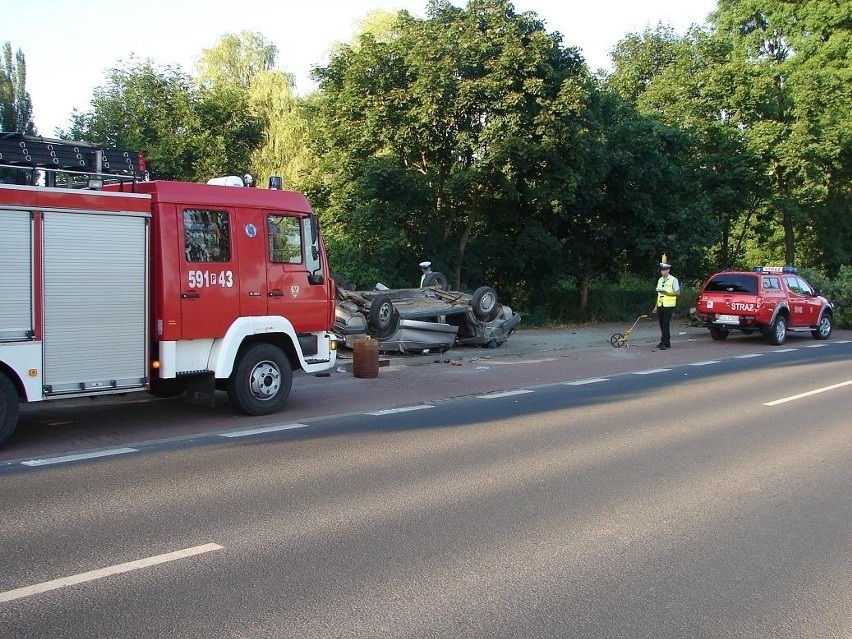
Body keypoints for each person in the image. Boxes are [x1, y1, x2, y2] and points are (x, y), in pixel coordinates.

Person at [651, 254, 680, 350]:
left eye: (663, 270)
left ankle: (663, 343)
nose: (662, 271)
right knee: (661, 324)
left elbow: (678, 293)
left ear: (668, 270)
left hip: (669, 305)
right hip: (660, 305)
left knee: (665, 324)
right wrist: (655, 306)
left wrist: (668, 294)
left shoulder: (673, 280)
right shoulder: (660, 280)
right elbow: (659, 294)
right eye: (661, 270)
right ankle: (667, 342)